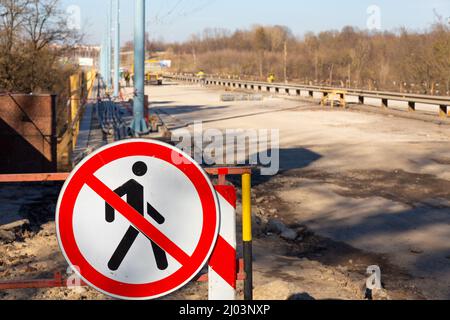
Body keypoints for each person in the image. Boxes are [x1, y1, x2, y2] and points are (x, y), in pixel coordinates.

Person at [106, 161, 168, 271]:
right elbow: (111, 197)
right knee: (136, 240)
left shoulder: (141, 186)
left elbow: (144, 204)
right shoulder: (131, 184)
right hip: (135, 219)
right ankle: (113, 265)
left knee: (144, 240)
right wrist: (110, 217)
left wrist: (159, 218)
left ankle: (113, 265)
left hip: (142, 219)